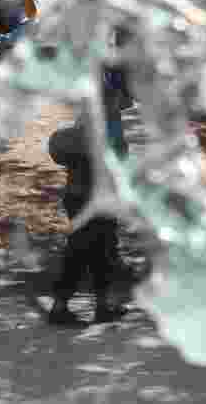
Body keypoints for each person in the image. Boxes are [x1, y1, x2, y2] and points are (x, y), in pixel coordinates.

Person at [47, 70, 130, 327]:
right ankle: (59, 308)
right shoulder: (97, 121)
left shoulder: (103, 117)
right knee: (81, 250)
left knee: (102, 250)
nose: (125, 101)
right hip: (88, 196)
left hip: (90, 195)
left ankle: (103, 306)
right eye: (120, 96)